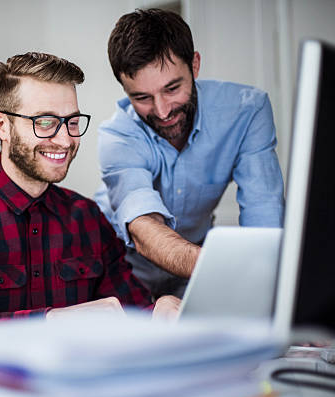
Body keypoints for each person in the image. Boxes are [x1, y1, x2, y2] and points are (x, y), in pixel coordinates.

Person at [0, 52, 180, 321]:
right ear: (1, 125)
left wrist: (157, 311)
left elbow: (130, 314)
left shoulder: (88, 219)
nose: (65, 140)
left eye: (72, 122)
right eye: (45, 122)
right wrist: (48, 321)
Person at [94, 9, 285, 299]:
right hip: (122, 265)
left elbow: (264, 220)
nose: (162, 111)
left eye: (172, 88)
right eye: (142, 97)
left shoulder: (247, 112)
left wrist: (275, 293)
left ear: (194, 65)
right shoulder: (117, 135)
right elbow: (145, 228)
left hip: (195, 259)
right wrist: (228, 268)